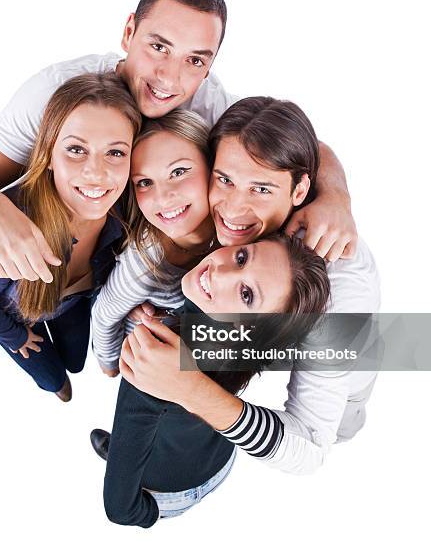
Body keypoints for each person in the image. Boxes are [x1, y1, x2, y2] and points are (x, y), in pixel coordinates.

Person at [0, 0, 357, 285]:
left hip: (133, 262)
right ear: (129, 32)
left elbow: (299, 147)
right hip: (54, 255)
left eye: (195, 60)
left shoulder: (208, 103)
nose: (170, 78)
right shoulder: (54, 94)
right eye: (159, 46)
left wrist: (335, 196)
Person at [117, 96, 381, 474]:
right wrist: (336, 190)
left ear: (299, 191)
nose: (233, 209)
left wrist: (191, 389)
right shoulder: (249, 146)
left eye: (260, 189)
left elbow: (309, 449)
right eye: (224, 179)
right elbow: (312, 148)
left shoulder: (341, 294)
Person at [103, 235, 330, 527]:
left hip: (166, 490)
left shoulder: (155, 363)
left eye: (247, 294)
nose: (219, 273)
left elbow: (120, 509)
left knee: (128, 453)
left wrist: (150, 514)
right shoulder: (235, 347)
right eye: (241, 258)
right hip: (219, 460)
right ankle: (117, 449)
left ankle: (118, 454)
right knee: (136, 439)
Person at [0, 73, 141, 401]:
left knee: (76, 359)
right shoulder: (10, 228)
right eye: (75, 149)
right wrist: (14, 337)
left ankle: (69, 371)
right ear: (49, 156)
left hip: (72, 303)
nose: (96, 172)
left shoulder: (125, 210)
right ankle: (57, 387)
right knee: (52, 378)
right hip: (18, 319)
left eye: (115, 153)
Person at [91, 109, 217, 375]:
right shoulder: (144, 266)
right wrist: (112, 367)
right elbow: (103, 317)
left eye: (179, 171)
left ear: (213, 165)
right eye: (145, 182)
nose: (163, 197)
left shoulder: (234, 229)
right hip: (145, 358)